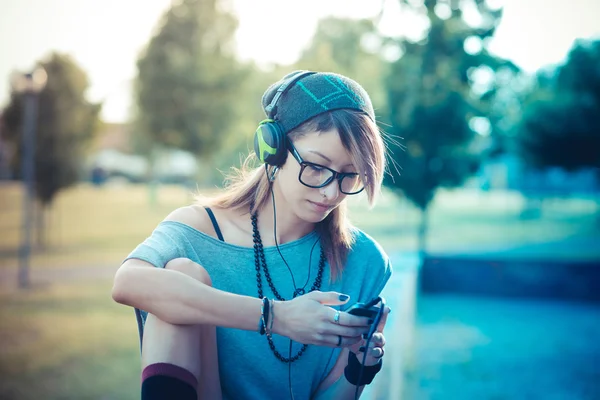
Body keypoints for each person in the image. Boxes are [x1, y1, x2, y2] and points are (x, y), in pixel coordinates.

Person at [112, 70, 393, 400]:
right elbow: (127, 282)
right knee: (180, 274)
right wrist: (275, 316)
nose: (332, 192)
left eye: (350, 175)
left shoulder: (364, 260)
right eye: (316, 167)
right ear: (272, 149)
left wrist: (357, 368)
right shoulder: (199, 230)